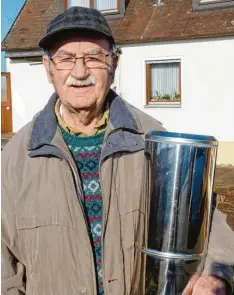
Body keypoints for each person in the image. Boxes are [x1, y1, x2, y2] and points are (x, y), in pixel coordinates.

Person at [1, 6, 233, 295]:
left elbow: (209, 223)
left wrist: (216, 274)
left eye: (94, 57)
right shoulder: (12, 162)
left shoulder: (152, 140)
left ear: (113, 64)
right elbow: (4, 274)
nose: (80, 71)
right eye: (66, 59)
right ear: (49, 69)